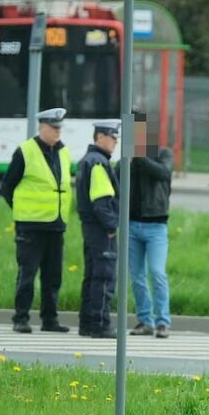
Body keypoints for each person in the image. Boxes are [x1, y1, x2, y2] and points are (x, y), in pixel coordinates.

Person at [0, 108, 73, 334]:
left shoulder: (63, 152)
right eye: (53, 127)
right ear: (41, 127)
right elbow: (7, 186)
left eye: (59, 127)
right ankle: (20, 318)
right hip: (30, 227)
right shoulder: (25, 152)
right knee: (27, 275)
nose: (57, 132)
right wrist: (22, 210)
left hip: (55, 225)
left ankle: (49, 319)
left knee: (53, 277)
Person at [128, 114, 174, 338]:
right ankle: (145, 320)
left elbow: (163, 173)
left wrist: (140, 157)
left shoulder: (163, 154)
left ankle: (163, 321)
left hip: (156, 225)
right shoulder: (130, 158)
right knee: (136, 275)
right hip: (132, 225)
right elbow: (117, 181)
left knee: (156, 272)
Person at [76, 121, 121, 339]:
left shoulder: (89, 160)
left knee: (92, 276)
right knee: (104, 277)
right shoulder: (98, 163)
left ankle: (86, 323)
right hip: (101, 229)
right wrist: (111, 226)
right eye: (112, 137)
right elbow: (101, 201)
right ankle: (100, 324)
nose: (115, 142)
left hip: (90, 228)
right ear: (100, 137)